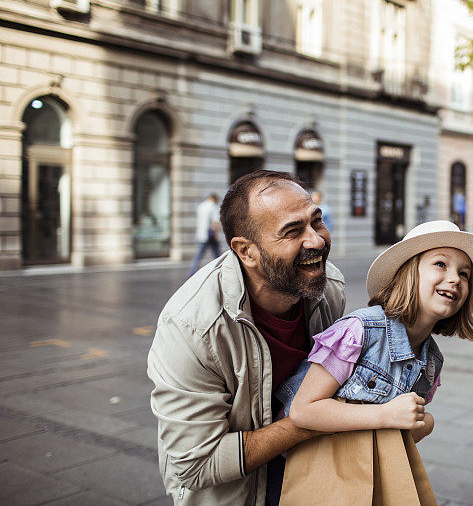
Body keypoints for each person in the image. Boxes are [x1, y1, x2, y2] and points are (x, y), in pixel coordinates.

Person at [147, 170, 346, 505]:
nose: (316, 240)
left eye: (316, 221)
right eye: (293, 232)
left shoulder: (328, 288)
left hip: (309, 474)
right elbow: (196, 463)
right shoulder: (191, 328)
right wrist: (311, 420)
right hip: (234, 493)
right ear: (246, 251)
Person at [276, 220, 473, 503]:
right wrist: (385, 415)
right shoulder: (359, 331)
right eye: (441, 265)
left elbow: (399, 428)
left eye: (464, 273)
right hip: (316, 475)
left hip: (365, 475)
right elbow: (302, 411)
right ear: (409, 273)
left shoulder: (431, 362)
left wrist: (421, 423)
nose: (455, 278)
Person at [188, 193, 222, 276]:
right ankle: (222, 269)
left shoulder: (201, 206)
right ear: (214, 199)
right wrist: (217, 236)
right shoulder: (213, 207)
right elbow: (215, 222)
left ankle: (192, 272)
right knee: (218, 255)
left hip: (201, 234)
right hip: (210, 235)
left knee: (198, 255)